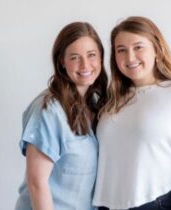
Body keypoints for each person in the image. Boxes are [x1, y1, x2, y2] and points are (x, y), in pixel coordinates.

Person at [93, 16, 171, 210]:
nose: (130, 57)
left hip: (157, 202)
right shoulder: (111, 101)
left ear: (157, 50)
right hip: (105, 205)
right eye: (121, 50)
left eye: (138, 47)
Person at [15, 22, 107, 210]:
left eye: (91, 55)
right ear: (61, 62)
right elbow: (36, 182)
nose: (85, 65)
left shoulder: (96, 104)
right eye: (75, 57)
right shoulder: (48, 110)